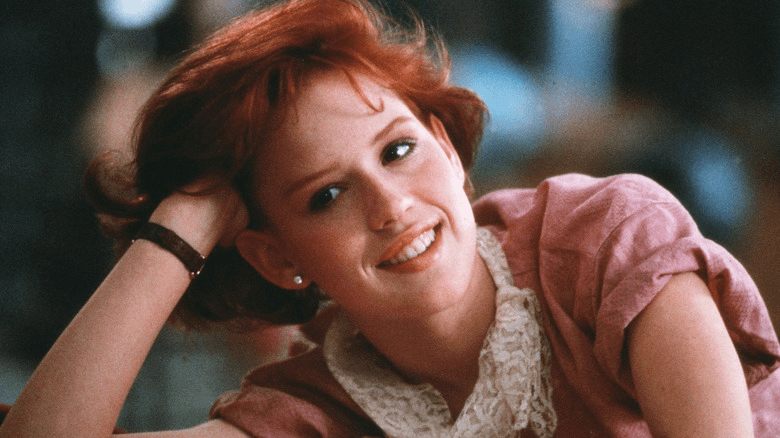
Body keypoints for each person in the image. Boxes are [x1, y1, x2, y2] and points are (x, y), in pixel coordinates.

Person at [1, 0, 779, 436]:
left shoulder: (606, 239)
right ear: (277, 258)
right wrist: (181, 229)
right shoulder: (317, 410)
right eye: (325, 196)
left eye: (399, 149)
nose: (390, 204)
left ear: (449, 144)